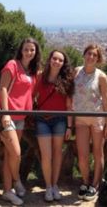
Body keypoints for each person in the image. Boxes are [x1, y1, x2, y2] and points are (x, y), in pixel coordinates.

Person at [0, 38, 41, 205]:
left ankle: (7, 191)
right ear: (21, 50)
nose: (29, 52)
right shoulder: (12, 65)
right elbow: (3, 88)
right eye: (26, 49)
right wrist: (5, 114)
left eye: (32, 50)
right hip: (8, 116)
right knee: (17, 152)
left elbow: (31, 94)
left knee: (9, 155)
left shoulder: (32, 71)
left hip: (21, 117)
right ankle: (17, 181)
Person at [72, 44, 107, 201]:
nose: (91, 57)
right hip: (80, 119)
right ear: (84, 54)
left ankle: (95, 186)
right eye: (89, 54)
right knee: (82, 155)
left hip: (97, 119)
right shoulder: (76, 71)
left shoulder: (101, 77)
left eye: (94, 55)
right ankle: (85, 182)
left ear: (98, 58)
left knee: (97, 153)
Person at [34, 50, 74, 202]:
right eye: (54, 58)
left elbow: (69, 105)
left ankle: (54, 184)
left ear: (63, 64)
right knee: (46, 155)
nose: (57, 62)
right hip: (42, 119)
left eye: (60, 60)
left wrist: (69, 127)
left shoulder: (66, 80)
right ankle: (48, 186)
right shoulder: (40, 77)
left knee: (57, 154)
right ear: (50, 59)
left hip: (60, 119)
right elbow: (31, 95)